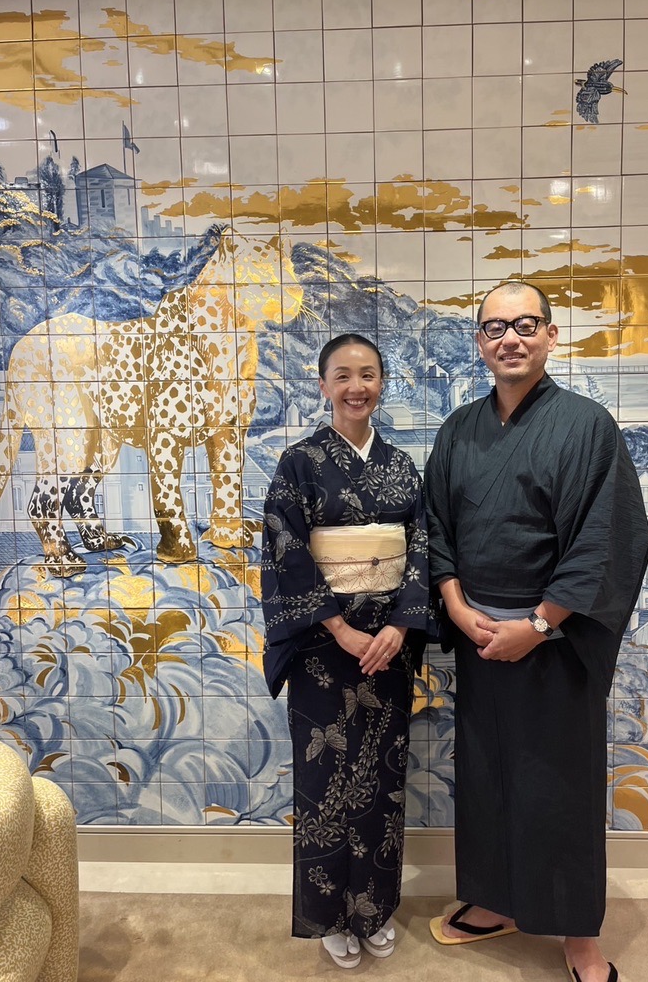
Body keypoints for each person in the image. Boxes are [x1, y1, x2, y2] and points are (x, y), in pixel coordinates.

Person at [424, 282, 648, 982]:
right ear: (480, 342)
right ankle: (495, 900)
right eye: (494, 327)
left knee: (558, 786)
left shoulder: (587, 426)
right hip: (479, 633)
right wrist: (457, 608)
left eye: (525, 324)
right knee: (487, 774)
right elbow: (436, 529)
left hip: (553, 642)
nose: (510, 338)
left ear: (551, 336)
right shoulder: (459, 429)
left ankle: (579, 937)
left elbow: (605, 541)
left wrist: (538, 624)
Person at [261, 333, 432, 969]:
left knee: (382, 778)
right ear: (324, 385)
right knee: (323, 780)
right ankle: (330, 914)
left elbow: (420, 548)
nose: (356, 386)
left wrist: (401, 628)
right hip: (322, 650)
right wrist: (339, 629)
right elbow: (287, 552)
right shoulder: (298, 463)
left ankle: (375, 909)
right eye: (343, 375)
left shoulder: (401, 465)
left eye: (367, 374)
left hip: (387, 648)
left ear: (381, 383)